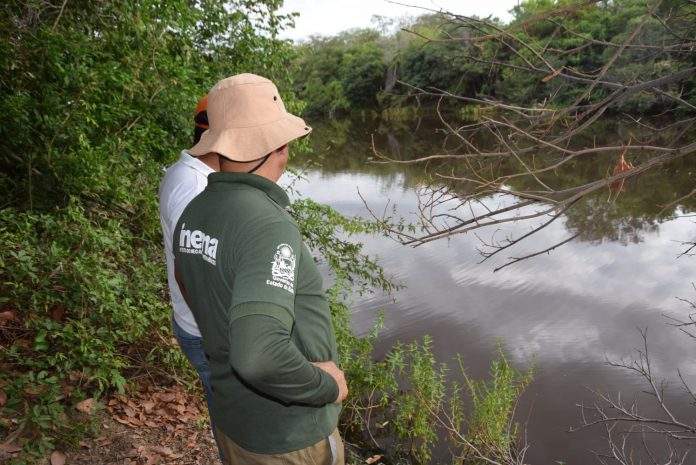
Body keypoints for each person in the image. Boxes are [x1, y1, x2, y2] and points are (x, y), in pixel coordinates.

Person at [173, 73, 348, 465]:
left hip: (233, 419)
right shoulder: (268, 225)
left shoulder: (194, 211)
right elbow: (258, 356)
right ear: (279, 145)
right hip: (288, 437)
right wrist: (325, 386)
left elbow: (187, 281)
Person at [158, 95, 223, 455]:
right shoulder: (194, 188)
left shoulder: (195, 176)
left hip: (200, 327)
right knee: (233, 423)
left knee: (228, 417)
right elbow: (191, 272)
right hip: (205, 332)